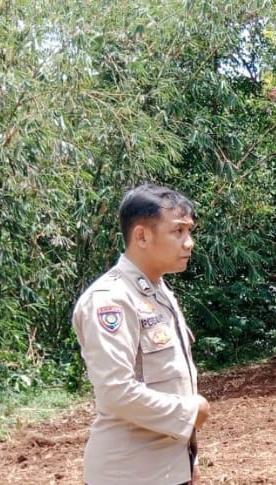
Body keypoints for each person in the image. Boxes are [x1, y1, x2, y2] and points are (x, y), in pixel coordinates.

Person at [72, 184, 210, 484]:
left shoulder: (158, 292)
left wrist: (189, 460)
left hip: (167, 468)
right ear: (142, 236)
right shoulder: (111, 299)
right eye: (178, 231)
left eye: (189, 231)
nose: (189, 243)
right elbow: (115, 391)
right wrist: (189, 412)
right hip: (130, 474)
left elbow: (171, 382)